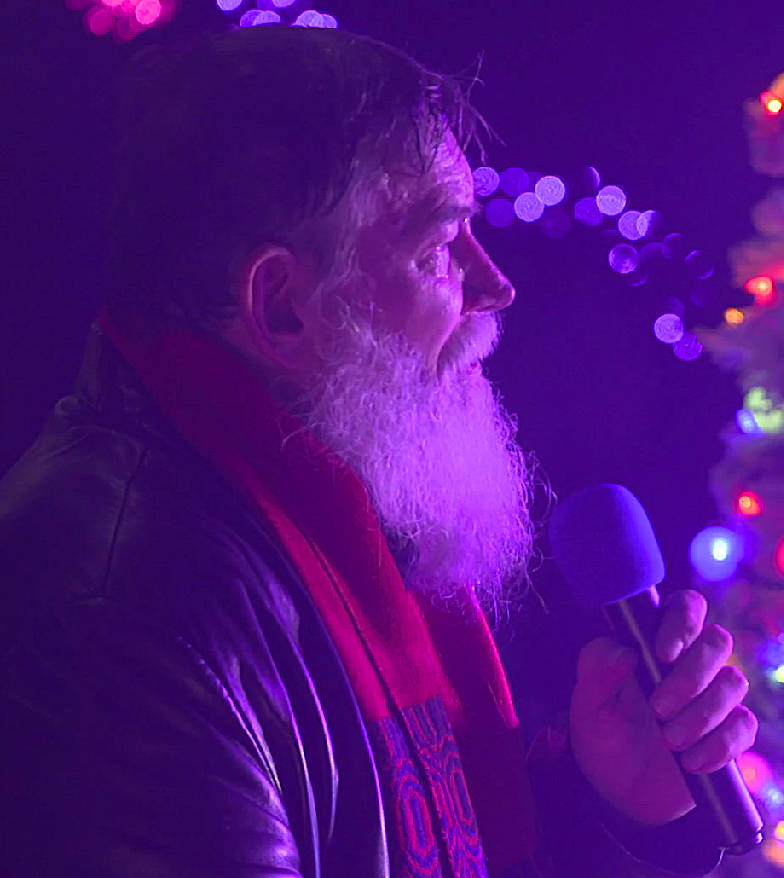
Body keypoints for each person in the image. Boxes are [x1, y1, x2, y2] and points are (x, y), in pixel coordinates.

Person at [0, 25, 758, 878]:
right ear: (282, 307)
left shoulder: (328, 486)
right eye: (439, 247)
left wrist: (610, 812)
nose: (496, 286)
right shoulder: (114, 604)